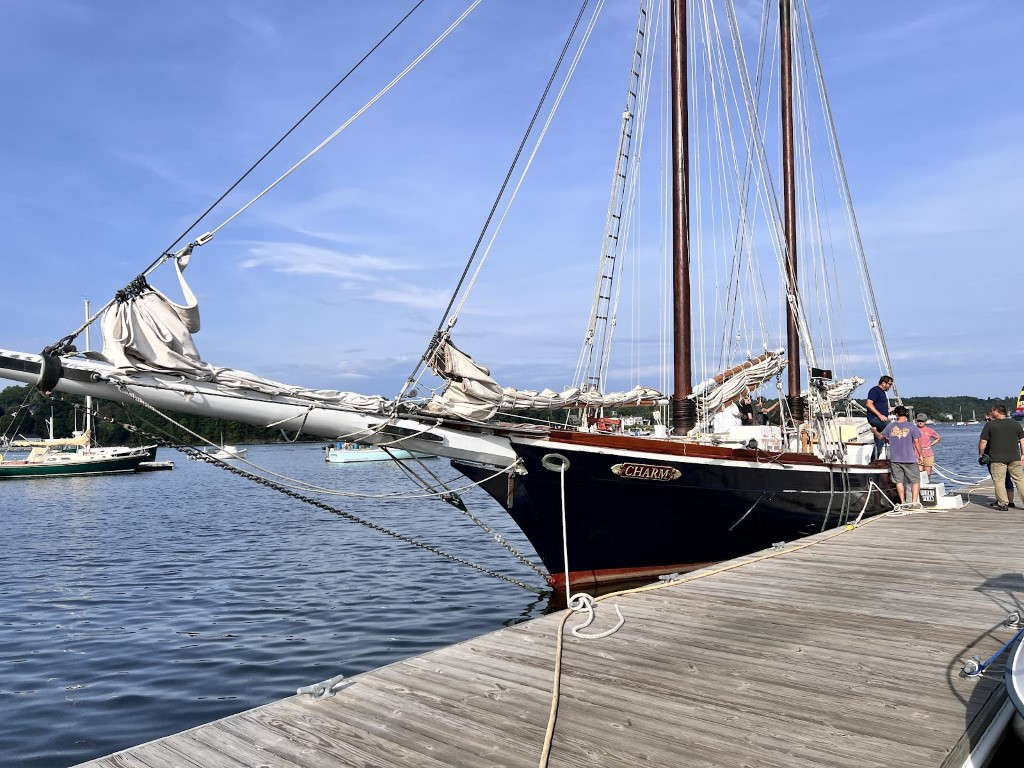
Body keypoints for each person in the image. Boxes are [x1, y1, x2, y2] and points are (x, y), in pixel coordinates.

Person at [873, 405, 922, 508]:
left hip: (895, 459)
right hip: (910, 458)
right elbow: (917, 442)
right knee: (915, 481)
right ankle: (914, 502)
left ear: (896, 415)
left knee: (898, 481)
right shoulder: (912, 426)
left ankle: (903, 502)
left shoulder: (890, 426)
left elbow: (881, 437)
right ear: (906, 414)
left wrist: (874, 431)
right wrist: (920, 455)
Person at [978, 403, 1024, 511]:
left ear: (996, 411)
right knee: (1019, 480)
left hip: (997, 458)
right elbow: (1022, 441)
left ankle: (1003, 504)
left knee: (999, 480)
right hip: (1014, 457)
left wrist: (981, 454)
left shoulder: (990, 425)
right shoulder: (1016, 424)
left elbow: (983, 441)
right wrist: (1023, 454)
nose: (991, 412)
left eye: (992, 411)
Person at [865, 375, 894, 461]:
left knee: (880, 441)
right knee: (892, 428)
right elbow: (869, 404)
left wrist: (889, 410)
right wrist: (880, 415)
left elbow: (879, 406)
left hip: (881, 418)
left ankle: (873, 461)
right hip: (875, 418)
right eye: (889, 384)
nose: (890, 386)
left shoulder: (883, 393)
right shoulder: (875, 390)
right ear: (883, 383)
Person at [914, 413, 941, 481]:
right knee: (919, 473)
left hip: (928, 453)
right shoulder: (913, 429)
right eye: (919, 421)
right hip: (916, 453)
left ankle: (927, 486)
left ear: (925, 421)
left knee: (927, 474)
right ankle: (918, 488)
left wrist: (931, 444)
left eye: (922, 421)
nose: (920, 422)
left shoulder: (930, 430)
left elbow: (938, 438)